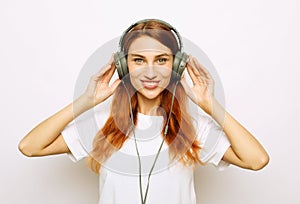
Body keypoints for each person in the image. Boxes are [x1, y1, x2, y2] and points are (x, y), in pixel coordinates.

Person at [18, 19, 269, 204]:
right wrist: (86, 100)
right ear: (124, 66)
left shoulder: (194, 127)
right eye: (139, 60)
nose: (151, 72)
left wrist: (211, 104)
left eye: (161, 60)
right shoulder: (102, 122)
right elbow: (30, 147)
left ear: (177, 66)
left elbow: (256, 160)